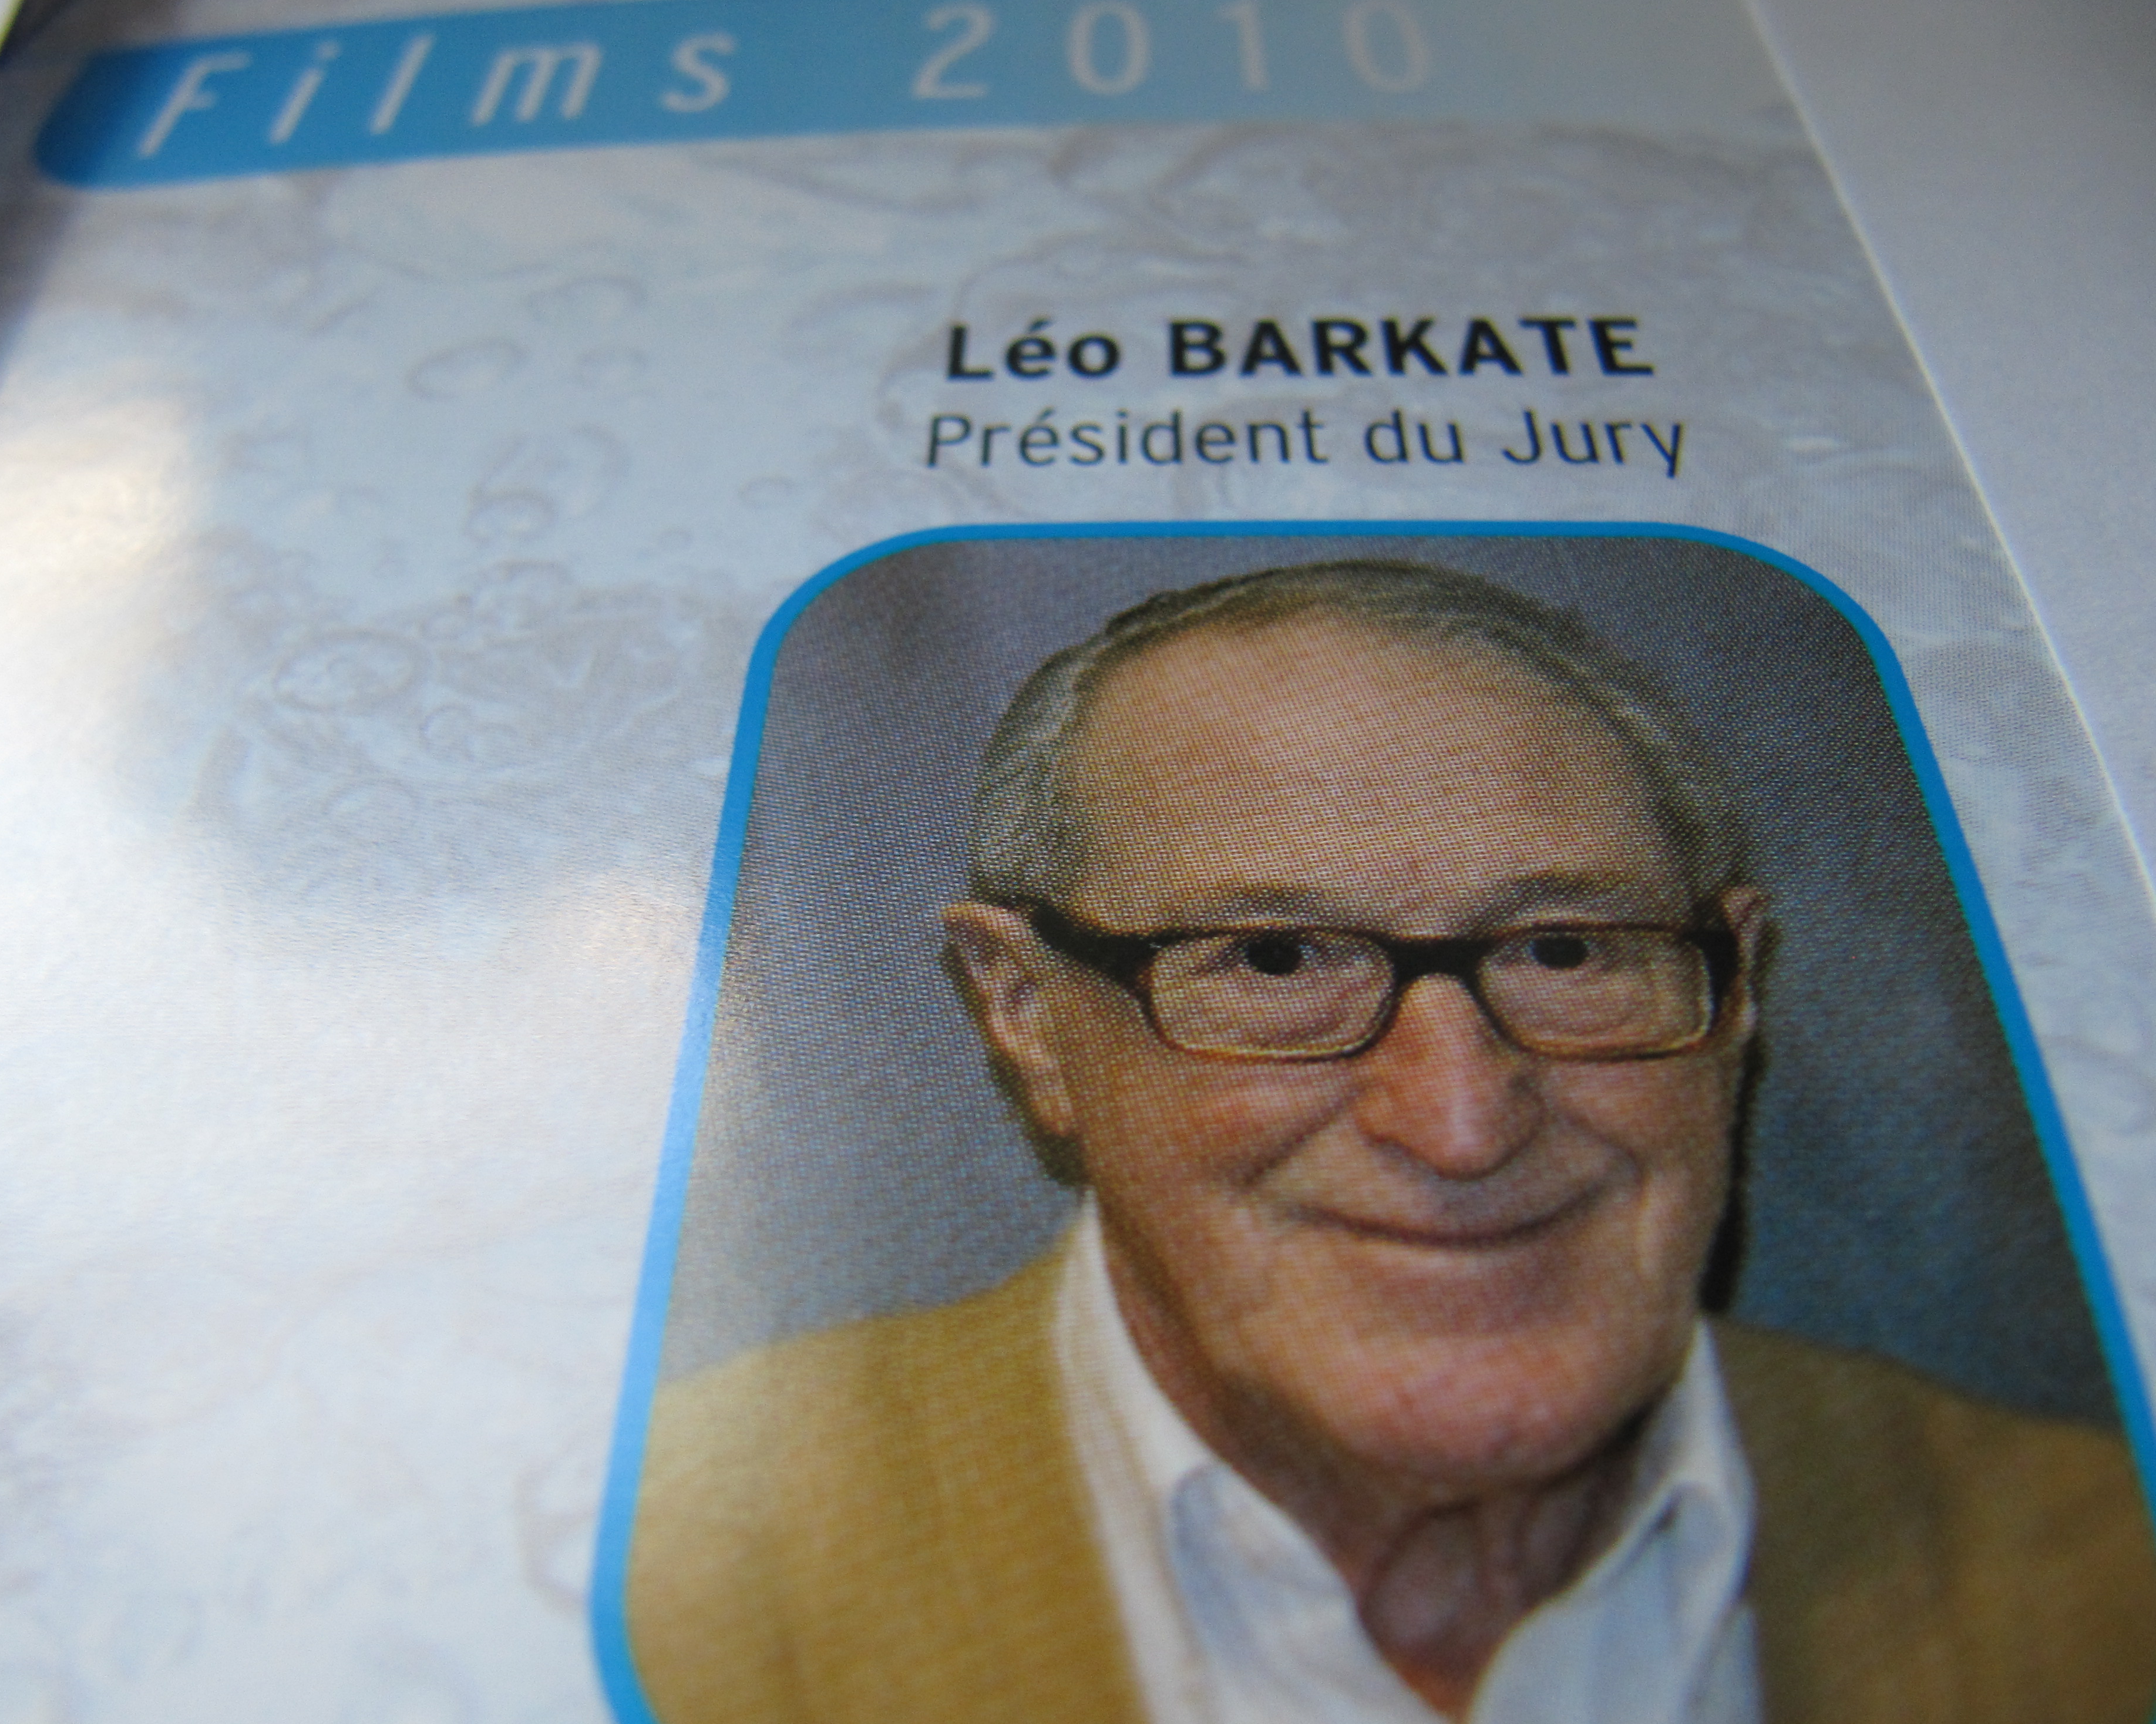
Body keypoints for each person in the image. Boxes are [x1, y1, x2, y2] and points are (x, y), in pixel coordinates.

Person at [625, 560, 2156, 1724]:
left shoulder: (2098, 1561)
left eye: (1565, 950)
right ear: (1024, 1011)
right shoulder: (682, 1564)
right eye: (1277, 961)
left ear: (1736, 990)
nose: (1461, 1122)